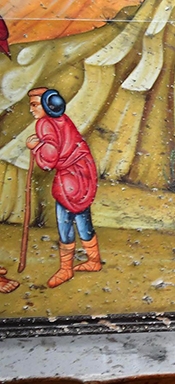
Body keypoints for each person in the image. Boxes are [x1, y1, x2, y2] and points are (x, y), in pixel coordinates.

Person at [26, 87, 101, 289]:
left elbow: (49, 159)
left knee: (65, 220)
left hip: (70, 178)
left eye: (34, 105)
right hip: (83, 171)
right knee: (82, 216)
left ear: (48, 105)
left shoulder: (44, 124)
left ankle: (66, 269)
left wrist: (35, 148)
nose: (31, 109)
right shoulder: (62, 119)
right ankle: (94, 260)